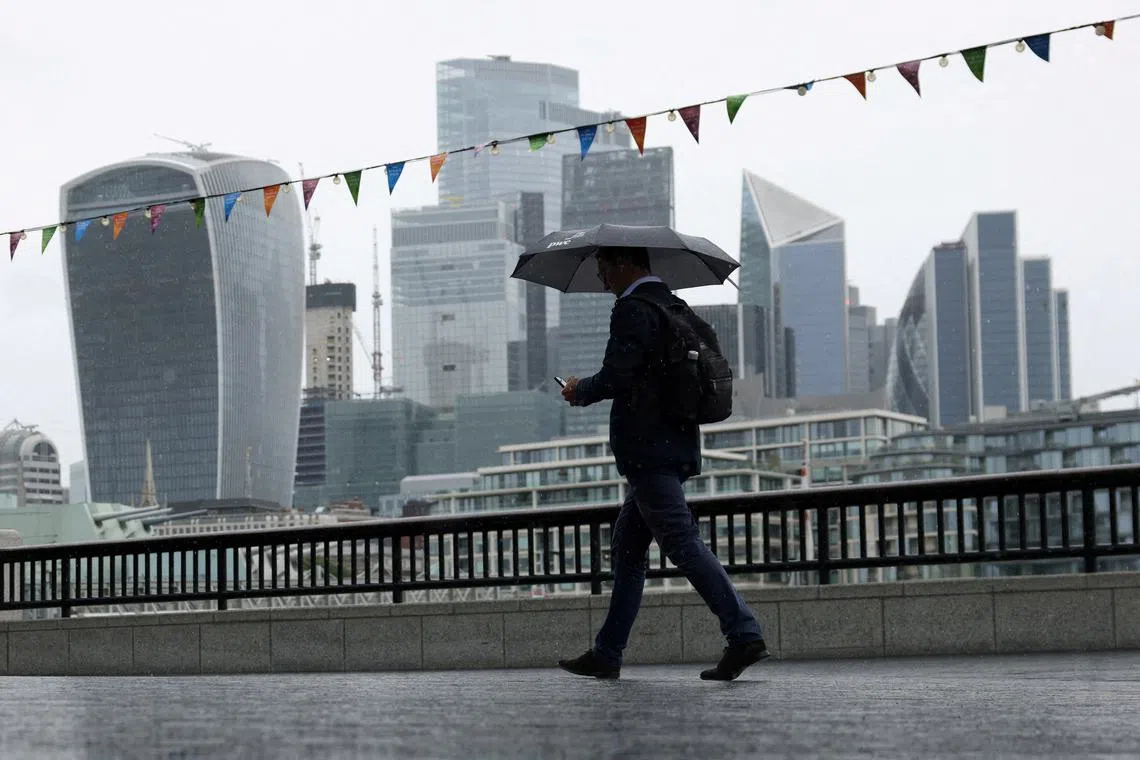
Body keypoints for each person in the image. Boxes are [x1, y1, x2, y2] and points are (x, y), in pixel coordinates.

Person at [556, 245, 769, 681]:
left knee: (681, 541)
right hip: (675, 442)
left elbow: (618, 376)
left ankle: (743, 633)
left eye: (603, 269)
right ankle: (607, 652)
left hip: (646, 448)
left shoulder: (633, 309)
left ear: (624, 264)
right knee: (629, 549)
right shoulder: (675, 305)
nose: (601, 281)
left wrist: (579, 390)